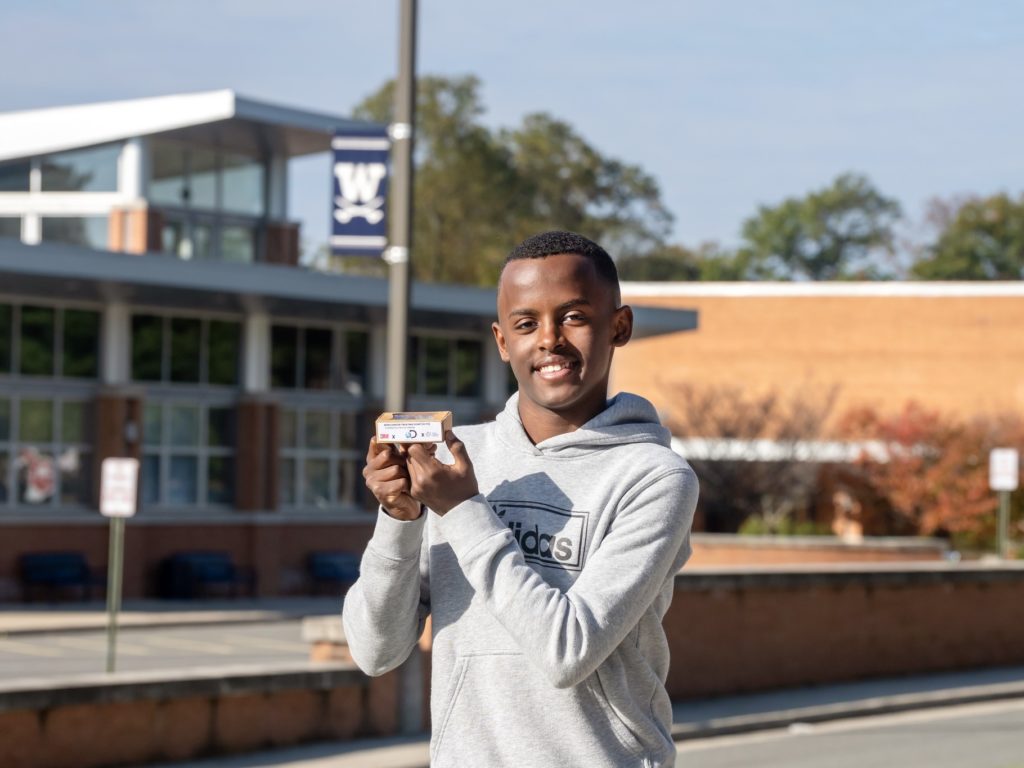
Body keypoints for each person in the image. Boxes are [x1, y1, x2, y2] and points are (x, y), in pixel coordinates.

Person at [342, 230, 699, 767]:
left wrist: (463, 511)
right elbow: (375, 651)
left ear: (618, 327)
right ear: (503, 341)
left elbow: (568, 650)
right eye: (526, 323)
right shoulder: (461, 459)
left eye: (574, 317)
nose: (549, 339)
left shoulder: (655, 477)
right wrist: (400, 518)